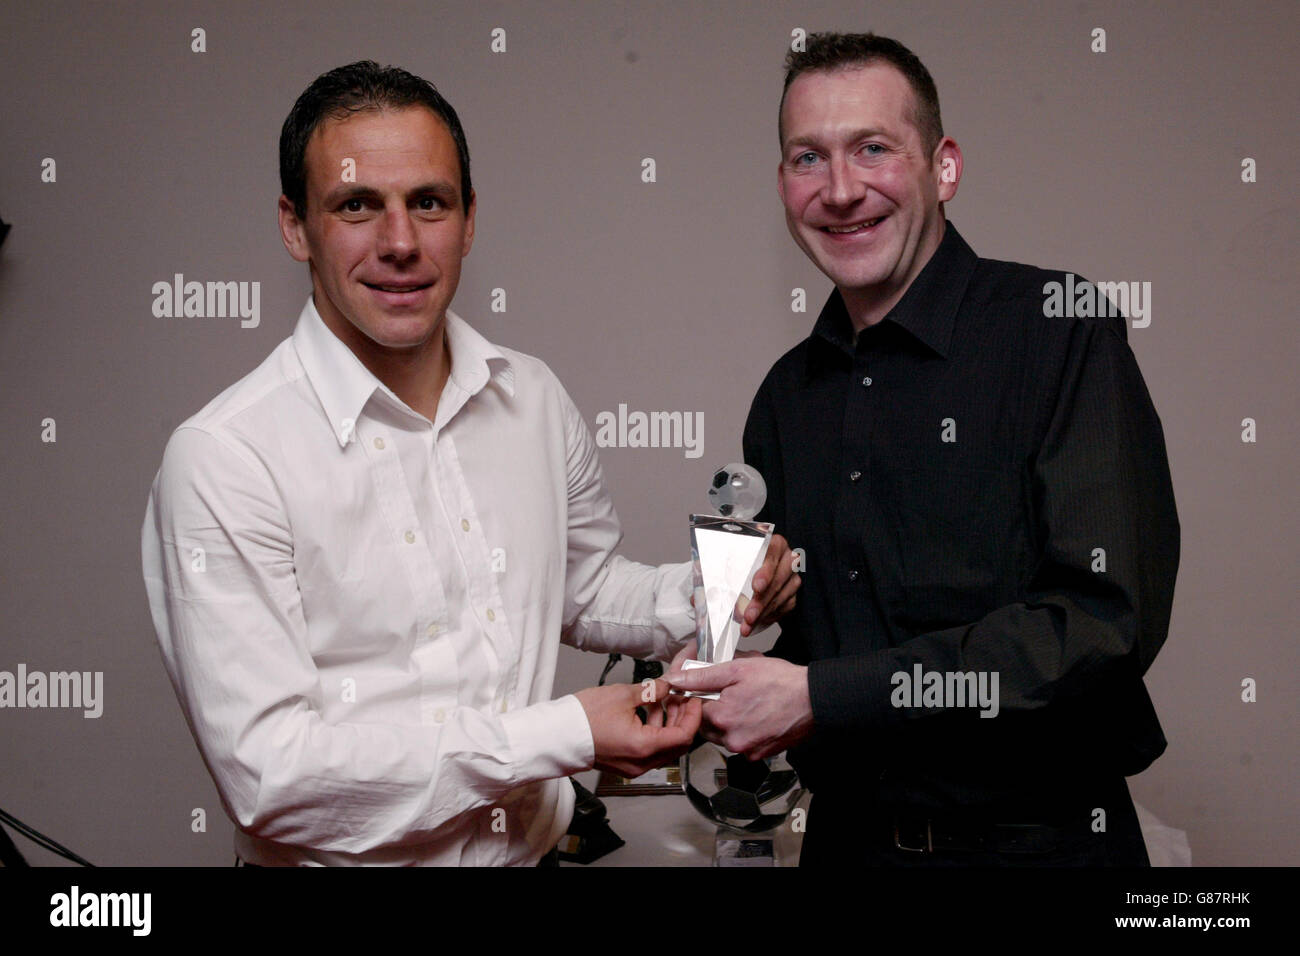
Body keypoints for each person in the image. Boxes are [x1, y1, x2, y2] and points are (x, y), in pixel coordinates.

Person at [140, 60, 799, 867]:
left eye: (429, 202)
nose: (400, 243)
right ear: (294, 225)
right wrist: (563, 735)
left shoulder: (531, 396)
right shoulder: (224, 458)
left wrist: (718, 592)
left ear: (469, 217)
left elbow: (585, 588)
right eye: (357, 205)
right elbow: (272, 776)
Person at [668, 33, 1179, 866]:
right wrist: (744, 634)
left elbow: (1102, 625)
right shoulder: (786, 395)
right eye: (808, 159)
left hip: (1038, 849)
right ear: (781, 184)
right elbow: (811, 645)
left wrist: (823, 697)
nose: (840, 191)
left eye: (873, 149)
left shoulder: (1059, 327)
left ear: (944, 167)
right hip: (845, 845)